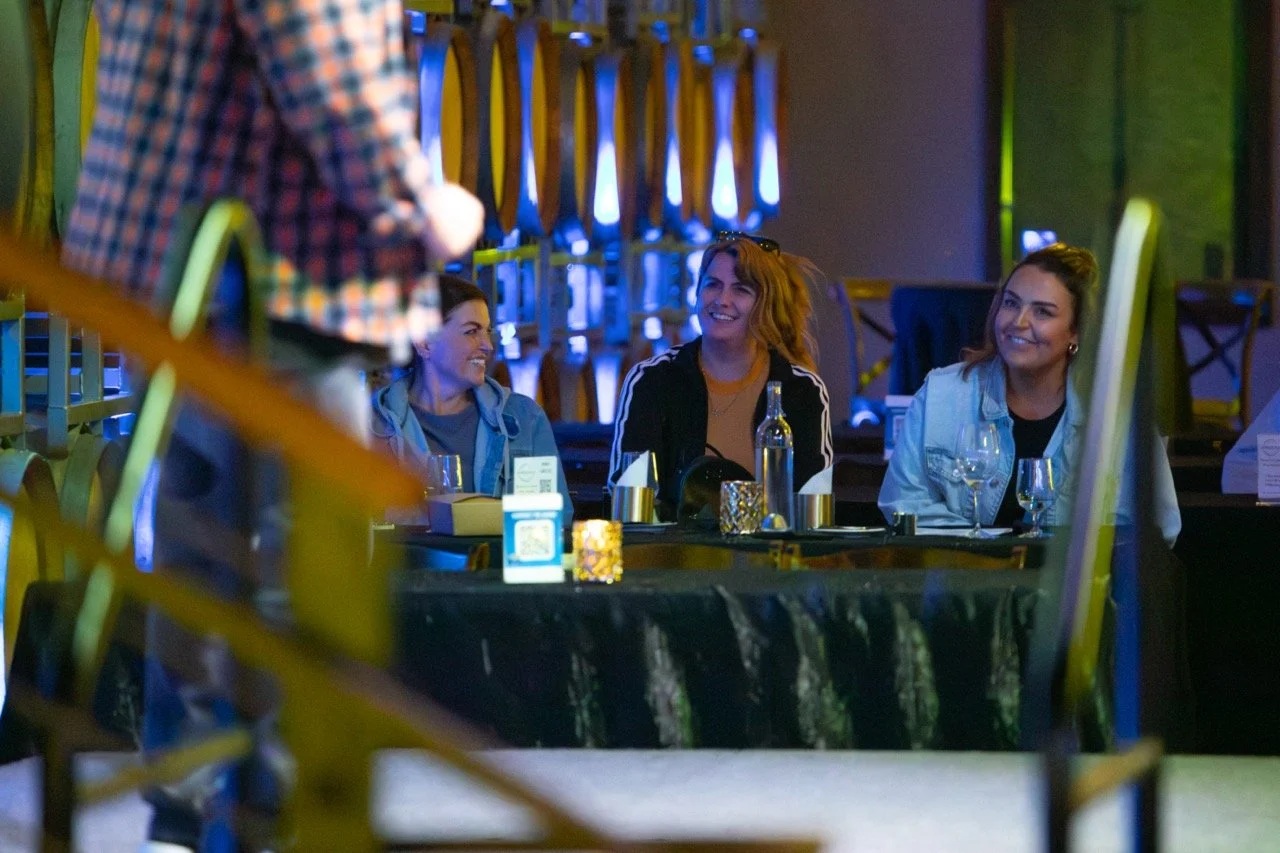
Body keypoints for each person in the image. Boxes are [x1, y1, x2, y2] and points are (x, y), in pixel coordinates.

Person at [59, 1, 484, 850]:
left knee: (193, 567)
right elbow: (327, 70)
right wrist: (424, 204)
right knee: (300, 584)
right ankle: (275, 821)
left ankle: (192, 807)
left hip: (164, 280)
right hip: (272, 298)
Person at [878, 243, 1182, 543]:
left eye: (1043, 312)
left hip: (1073, 591)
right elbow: (903, 506)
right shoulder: (941, 395)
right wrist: (994, 558)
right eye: (1011, 303)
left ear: (1075, 331)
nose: (1018, 323)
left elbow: (1158, 529)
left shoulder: (1118, 413)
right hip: (963, 582)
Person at [610, 233, 833, 517]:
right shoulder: (651, 380)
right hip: (673, 554)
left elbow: (811, 508)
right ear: (697, 292)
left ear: (766, 303)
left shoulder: (802, 389)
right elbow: (628, 501)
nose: (722, 300)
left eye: (741, 290)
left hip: (771, 556)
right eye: (713, 285)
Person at [372, 275, 572, 514]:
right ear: (425, 343)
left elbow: (556, 521)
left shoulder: (524, 419)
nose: (487, 345)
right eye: (471, 332)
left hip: (500, 553)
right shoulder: (373, 425)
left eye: (487, 332)